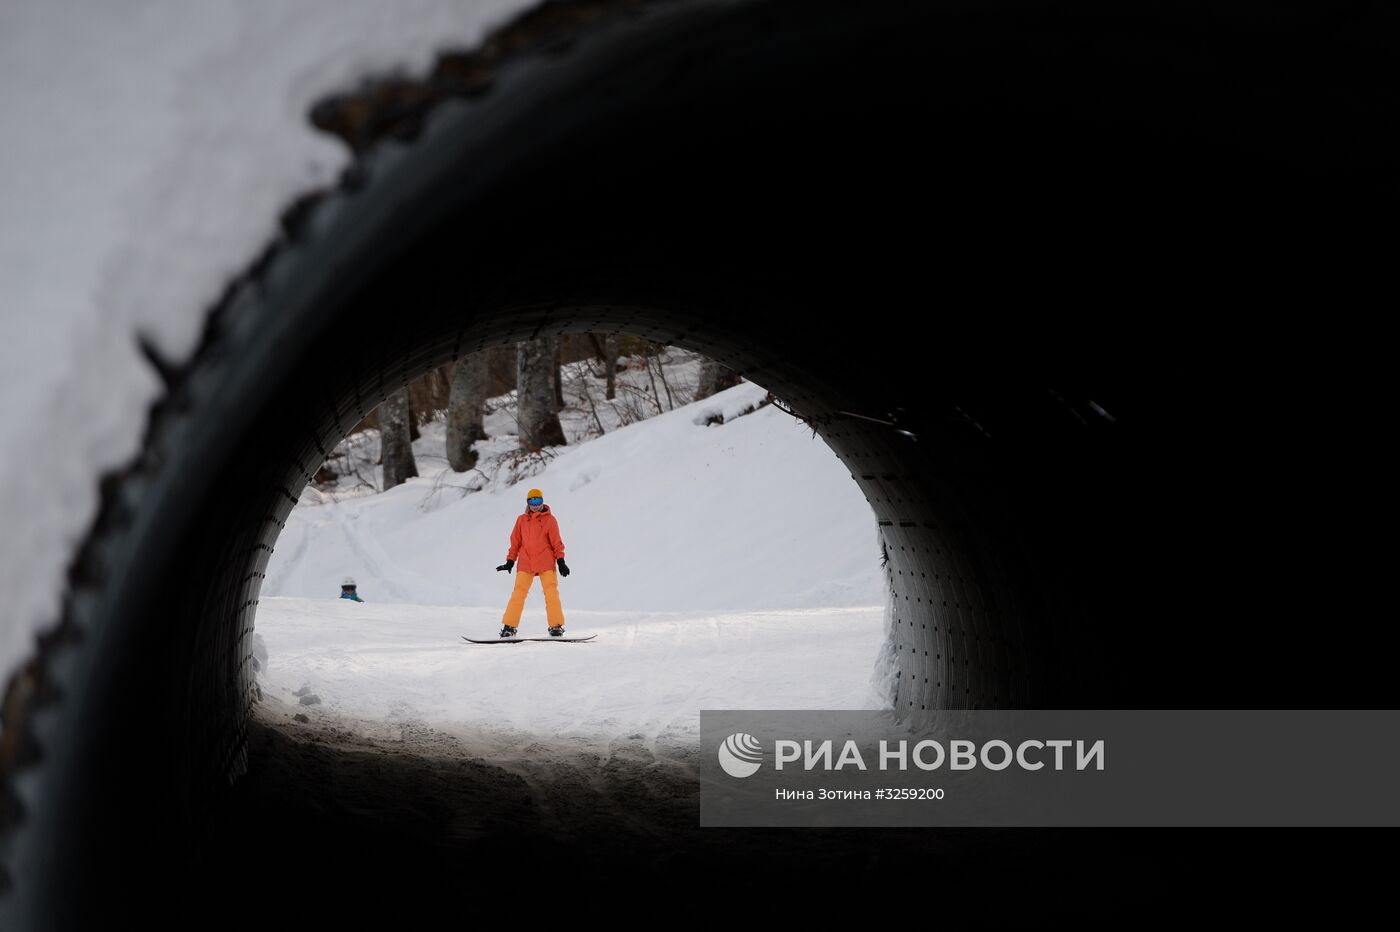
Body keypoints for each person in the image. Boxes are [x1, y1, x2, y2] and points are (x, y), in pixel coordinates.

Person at [496, 487, 570, 637]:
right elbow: (515, 542)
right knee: (518, 593)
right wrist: (510, 561)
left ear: (543, 501)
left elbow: (557, 543)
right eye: (532, 500)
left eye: (538, 500)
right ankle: (509, 627)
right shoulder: (521, 520)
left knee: (551, 593)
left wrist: (561, 561)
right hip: (526, 562)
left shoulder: (550, 520)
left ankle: (556, 627)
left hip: (546, 562)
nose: (535, 504)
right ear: (528, 502)